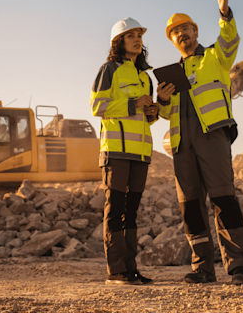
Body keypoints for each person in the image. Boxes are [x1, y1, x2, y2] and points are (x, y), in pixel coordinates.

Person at [157, 0, 243, 285]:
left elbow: (229, 40)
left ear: (196, 32)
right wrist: (160, 99)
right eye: (176, 32)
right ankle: (203, 268)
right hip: (181, 144)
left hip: (212, 137)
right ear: (172, 41)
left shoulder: (215, 57)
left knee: (224, 199)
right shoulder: (170, 74)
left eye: (186, 28)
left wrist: (224, 12)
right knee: (191, 208)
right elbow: (165, 113)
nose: (182, 34)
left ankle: (238, 267)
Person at [90, 17, 159, 285]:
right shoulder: (109, 69)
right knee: (115, 208)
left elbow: (146, 117)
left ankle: (131, 269)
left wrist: (153, 112)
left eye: (140, 36)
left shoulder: (145, 77)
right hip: (116, 152)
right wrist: (133, 104)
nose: (137, 40)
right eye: (131, 36)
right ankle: (115, 270)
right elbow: (98, 106)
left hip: (140, 154)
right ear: (119, 42)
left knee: (131, 212)